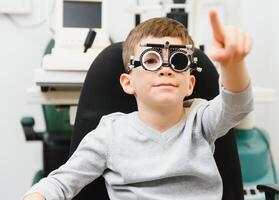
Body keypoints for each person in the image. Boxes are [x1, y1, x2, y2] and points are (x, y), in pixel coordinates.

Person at [23, 10, 253, 200]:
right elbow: (61, 182)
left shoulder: (201, 120)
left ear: (190, 84)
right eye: (151, 60)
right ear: (128, 82)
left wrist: (234, 65)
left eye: (178, 60)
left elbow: (237, 105)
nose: (165, 68)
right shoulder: (109, 134)